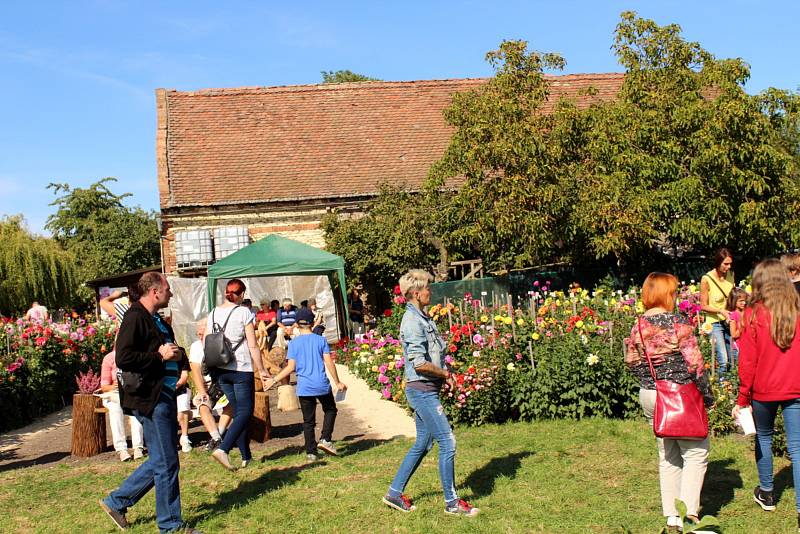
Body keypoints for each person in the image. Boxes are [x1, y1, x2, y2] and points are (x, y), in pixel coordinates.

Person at [99, 272, 201, 533]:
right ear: (155, 291)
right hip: (151, 398)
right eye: (168, 289)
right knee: (167, 462)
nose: (171, 294)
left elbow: (172, 349)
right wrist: (159, 356)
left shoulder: (156, 319)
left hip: (163, 394)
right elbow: (123, 357)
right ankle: (170, 525)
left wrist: (180, 359)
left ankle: (117, 501)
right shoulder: (135, 316)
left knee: (161, 459)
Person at [382, 270, 479, 517]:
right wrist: (444, 375)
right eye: (428, 288)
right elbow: (418, 363)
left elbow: (432, 356)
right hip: (422, 391)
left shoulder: (423, 318)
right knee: (448, 441)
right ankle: (452, 502)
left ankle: (394, 493)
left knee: (424, 443)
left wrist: (445, 374)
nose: (430, 291)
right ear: (416, 293)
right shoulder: (412, 322)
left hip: (426, 388)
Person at [624, 272, 713, 532]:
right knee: (695, 453)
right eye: (674, 292)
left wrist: (652, 380)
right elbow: (695, 363)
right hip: (679, 394)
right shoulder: (678, 322)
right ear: (666, 294)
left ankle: (672, 515)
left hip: (651, 394)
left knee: (667, 454)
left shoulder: (638, 324)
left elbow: (631, 361)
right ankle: (689, 515)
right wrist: (707, 396)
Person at [733, 259, 800, 524]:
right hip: (795, 387)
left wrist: (742, 396)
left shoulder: (754, 312)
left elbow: (747, 361)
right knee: (797, 447)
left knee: (763, 436)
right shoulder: (796, 309)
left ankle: (768, 493)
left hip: (763, 388)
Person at [266, 308, 346, 461]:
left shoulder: (294, 344)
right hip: (321, 384)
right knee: (330, 410)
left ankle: (311, 452)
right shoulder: (320, 340)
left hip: (304, 388)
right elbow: (328, 362)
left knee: (308, 421)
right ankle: (325, 439)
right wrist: (337, 381)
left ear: (296, 323)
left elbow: (290, 367)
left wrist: (274, 380)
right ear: (312, 322)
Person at [206, 279, 270, 471]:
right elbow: (252, 345)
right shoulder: (244, 312)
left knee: (236, 411)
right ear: (241, 294)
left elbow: (207, 341)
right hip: (240, 369)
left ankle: (245, 457)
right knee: (245, 412)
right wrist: (262, 370)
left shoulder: (213, 312)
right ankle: (223, 448)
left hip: (220, 369)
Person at [188, 320, 232, 451]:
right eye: (198, 334)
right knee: (203, 406)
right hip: (206, 385)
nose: (200, 337)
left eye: (203, 334)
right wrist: (202, 391)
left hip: (222, 383)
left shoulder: (220, 344)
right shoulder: (196, 347)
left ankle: (217, 436)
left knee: (231, 405)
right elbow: (195, 371)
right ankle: (217, 438)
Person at [99, 350, 145, 462]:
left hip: (130, 393)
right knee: (115, 410)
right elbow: (104, 386)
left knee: (135, 410)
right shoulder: (109, 358)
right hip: (114, 394)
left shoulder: (134, 356)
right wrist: (112, 387)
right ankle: (121, 449)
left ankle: (138, 447)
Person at [700, 248, 735, 377]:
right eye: (725, 264)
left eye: (730, 263)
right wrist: (721, 310)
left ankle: (731, 388)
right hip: (714, 322)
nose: (728, 266)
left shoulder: (731, 275)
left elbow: (733, 297)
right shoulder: (706, 279)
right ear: (718, 262)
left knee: (734, 357)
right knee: (724, 360)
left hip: (729, 320)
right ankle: (720, 390)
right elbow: (703, 305)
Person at [726, 287, 749, 363]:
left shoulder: (747, 312)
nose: (744, 303)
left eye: (745, 300)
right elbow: (734, 335)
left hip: (747, 346)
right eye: (741, 301)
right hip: (739, 348)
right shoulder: (733, 315)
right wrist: (743, 325)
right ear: (734, 301)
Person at [176, 366, 192, 454]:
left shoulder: (181, 354)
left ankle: (185, 437)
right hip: (162, 389)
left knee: (183, 410)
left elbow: (185, 375)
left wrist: (175, 386)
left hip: (181, 387)